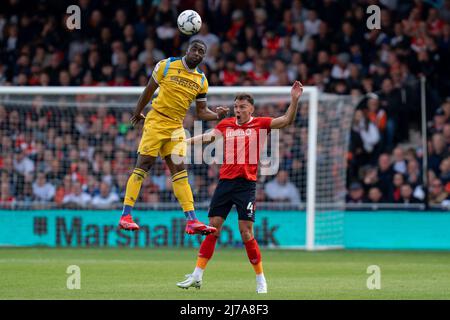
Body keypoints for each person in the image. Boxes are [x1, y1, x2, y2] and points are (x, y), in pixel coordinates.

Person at [176, 81, 304, 294]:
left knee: (246, 232)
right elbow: (207, 137)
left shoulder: (261, 124)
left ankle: (260, 279)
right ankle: (197, 276)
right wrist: (184, 141)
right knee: (212, 228)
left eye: (242, 107)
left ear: (251, 108)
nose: (238, 110)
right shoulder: (226, 124)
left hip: (246, 185)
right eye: (236, 107)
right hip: (225, 183)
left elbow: (287, 120)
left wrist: (294, 100)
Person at [118, 39, 229, 235]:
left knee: (179, 169)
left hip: (176, 126)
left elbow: (202, 111)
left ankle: (192, 220)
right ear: (187, 50)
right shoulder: (167, 65)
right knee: (144, 164)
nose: (197, 53)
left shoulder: (202, 80)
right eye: (195, 49)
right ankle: (126, 215)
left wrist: (217, 116)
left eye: (201, 52)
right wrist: (137, 112)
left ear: (204, 57)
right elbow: (149, 90)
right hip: (156, 121)